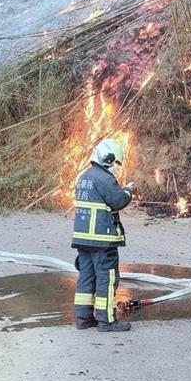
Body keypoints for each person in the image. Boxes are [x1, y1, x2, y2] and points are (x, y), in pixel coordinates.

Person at [72, 138, 135, 332]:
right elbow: (117, 200)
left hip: (83, 240)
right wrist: (127, 192)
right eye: (116, 163)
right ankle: (106, 320)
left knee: (86, 277)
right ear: (107, 159)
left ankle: (83, 318)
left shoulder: (83, 177)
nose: (116, 167)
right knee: (106, 280)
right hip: (102, 241)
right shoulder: (105, 179)